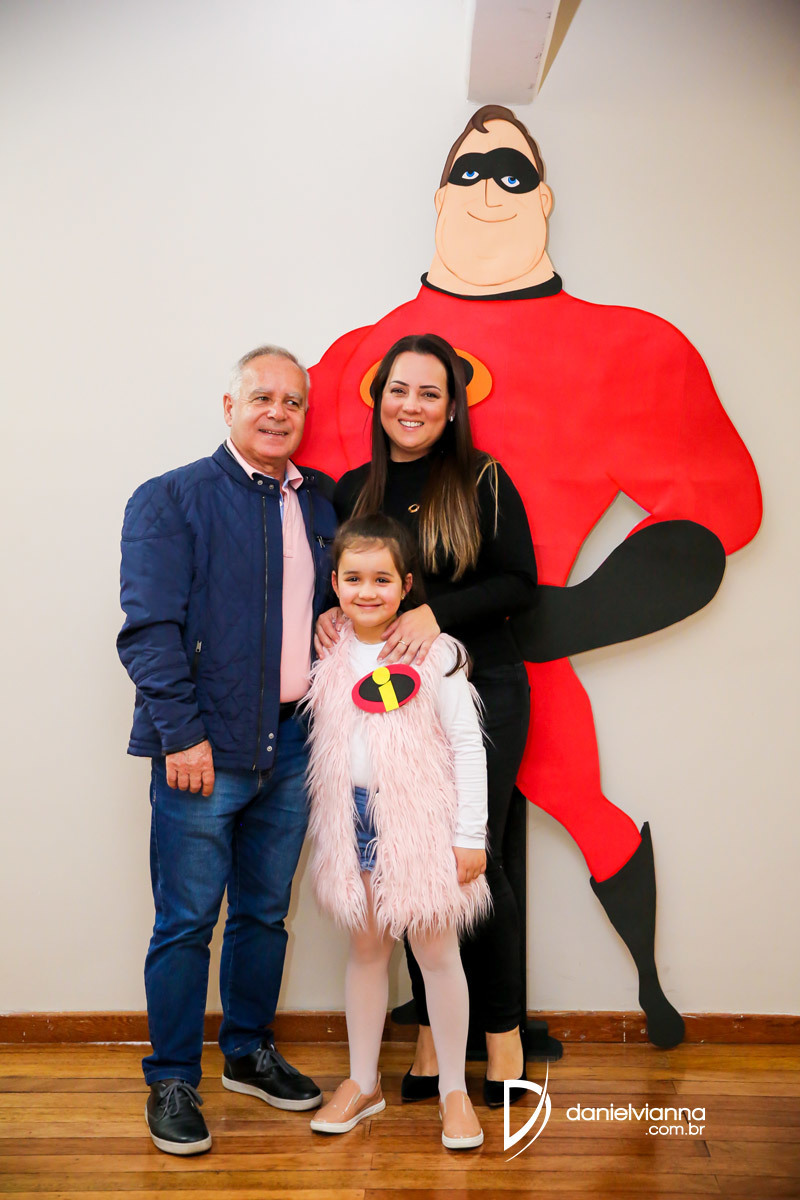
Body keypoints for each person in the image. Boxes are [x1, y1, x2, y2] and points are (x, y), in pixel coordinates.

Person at [299, 105, 762, 1049]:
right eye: (468, 174)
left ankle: (566, 1015)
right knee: (424, 843)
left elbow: (719, 508)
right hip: (401, 681)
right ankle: (447, 1028)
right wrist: (326, 617)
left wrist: (569, 620)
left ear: (544, 199)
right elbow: (314, 524)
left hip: (515, 661)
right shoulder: (354, 359)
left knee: (555, 819)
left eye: (511, 174)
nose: (488, 193)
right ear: (438, 198)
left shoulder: (630, 349)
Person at [117, 345, 337, 1156]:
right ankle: (174, 1077)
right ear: (229, 406)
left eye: (293, 402)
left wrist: (334, 618)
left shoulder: (320, 504)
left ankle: (247, 1050)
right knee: (185, 922)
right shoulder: (171, 498)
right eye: (262, 398)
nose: (278, 413)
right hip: (202, 749)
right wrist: (182, 734)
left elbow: (331, 601)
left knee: (264, 913)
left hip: (294, 743)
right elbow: (148, 631)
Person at [316, 333, 538, 1105]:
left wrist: (435, 611)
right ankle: (429, 1042)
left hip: (480, 688)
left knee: (474, 862)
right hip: (392, 704)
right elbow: (346, 583)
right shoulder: (354, 489)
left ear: (452, 409)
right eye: (398, 390)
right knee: (406, 863)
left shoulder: (482, 479)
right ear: (378, 400)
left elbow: (520, 583)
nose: (411, 406)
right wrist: (327, 616)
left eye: (429, 393)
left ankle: (503, 1041)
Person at [305, 513, 488, 1149]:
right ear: (334, 584)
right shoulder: (328, 650)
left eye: (382, 579)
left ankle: (454, 1091)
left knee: (437, 954)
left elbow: (467, 744)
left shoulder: (434, 654)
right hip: (351, 820)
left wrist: (470, 835)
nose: (367, 591)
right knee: (366, 951)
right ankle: (363, 1082)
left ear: (406, 585)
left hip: (420, 824)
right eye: (353, 578)